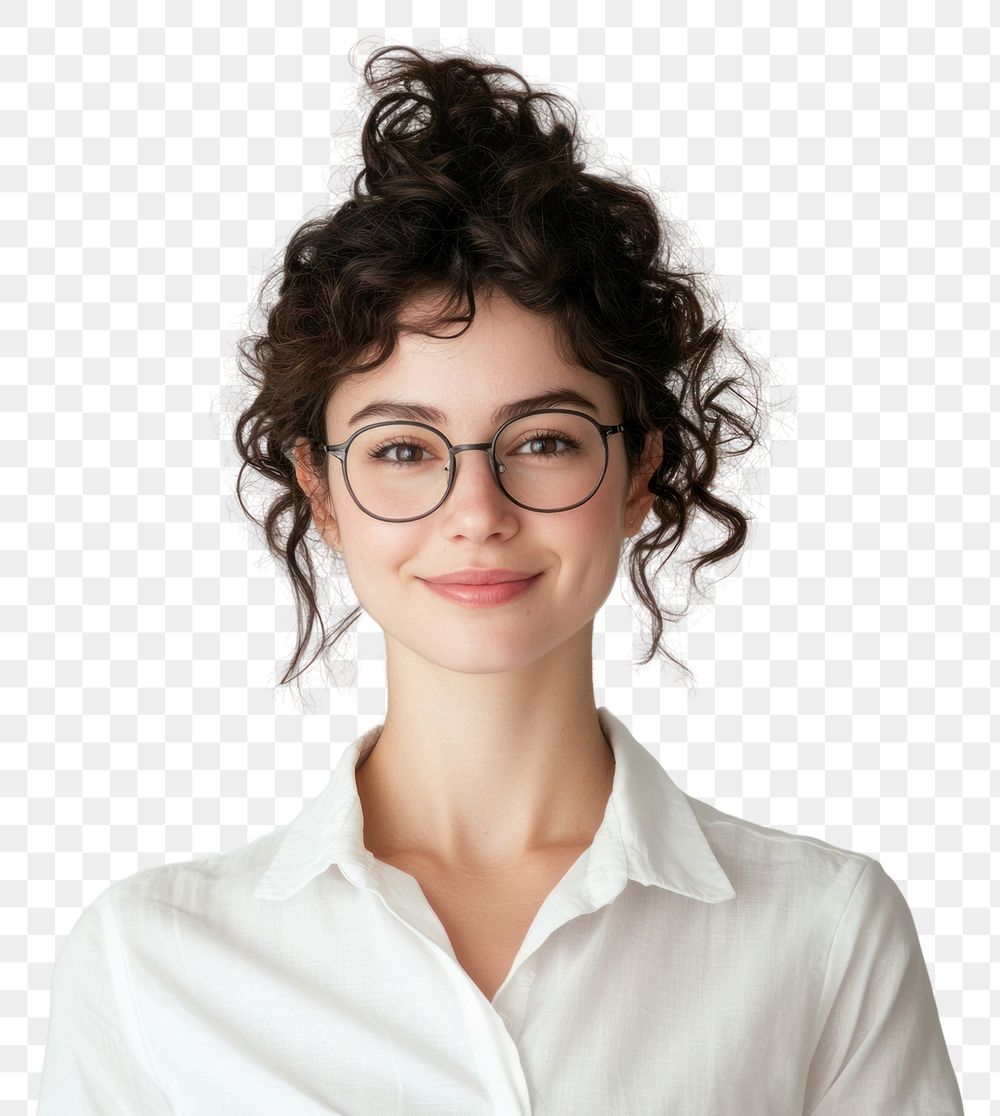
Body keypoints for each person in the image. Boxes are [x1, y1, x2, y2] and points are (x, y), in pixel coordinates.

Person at [37, 43, 963, 1114]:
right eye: (401, 450)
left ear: (638, 474)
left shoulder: (821, 929)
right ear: (321, 492)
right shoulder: (151, 962)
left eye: (543, 442)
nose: (476, 514)